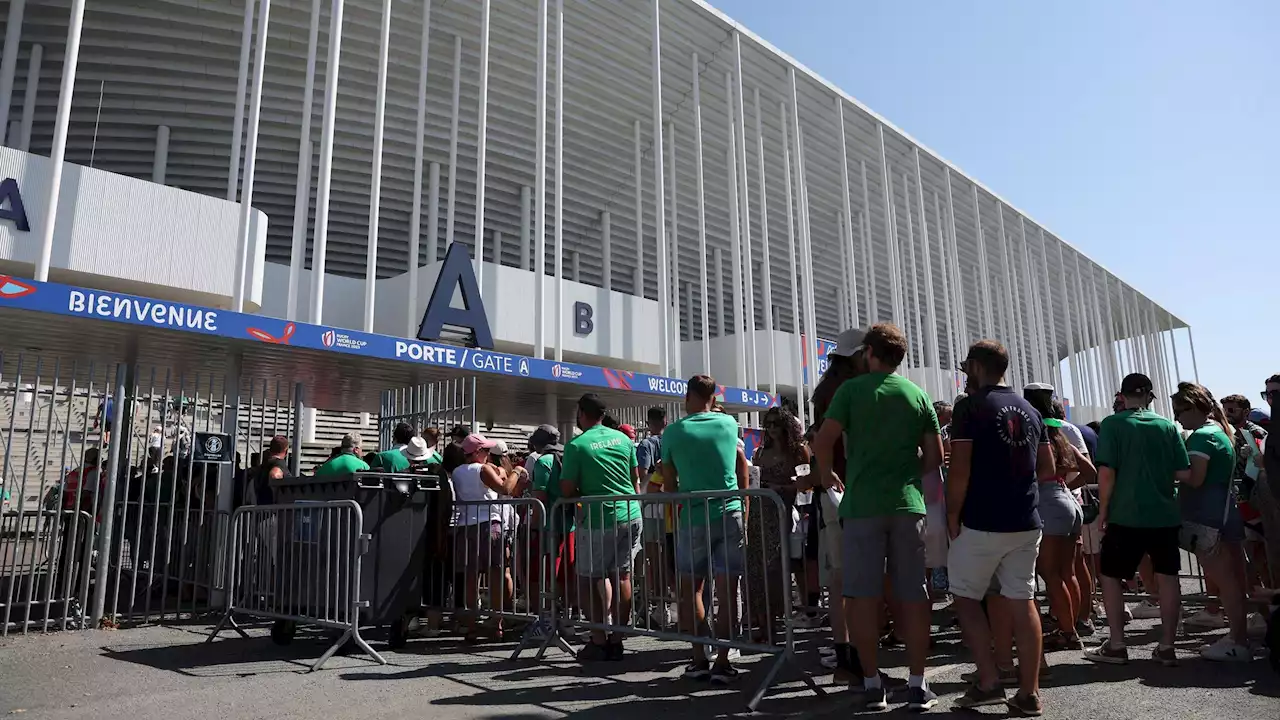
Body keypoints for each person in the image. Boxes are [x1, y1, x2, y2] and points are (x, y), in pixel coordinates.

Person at [813, 323, 942, 712]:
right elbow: (936, 457)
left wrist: (825, 473)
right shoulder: (917, 394)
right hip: (907, 505)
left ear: (869, 352)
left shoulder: (851, 390)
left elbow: (823, 439)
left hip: (861, 507)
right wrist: (906, 471)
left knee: (861, 598)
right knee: (914, 597)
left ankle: (872, 684)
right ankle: (918, 685)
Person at [945, 341, 1051, 715]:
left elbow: (959, 469)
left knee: (965, 595)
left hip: (982, 518)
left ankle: (989, 680)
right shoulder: (1030, 409)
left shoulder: (970, 407)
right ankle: (1029, 692)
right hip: (1025, 518)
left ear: (975, 366)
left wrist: (952, 515)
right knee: (1022, 600)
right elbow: (1047, 468)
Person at [1085, 373, 1189, 667]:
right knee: (1168, 577)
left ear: (1122, 395)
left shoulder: (1113, 424)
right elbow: (1183, 473)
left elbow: (1106, 473)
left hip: (1126, 513)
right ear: (1149, 396)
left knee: (1110, 576)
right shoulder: (1167, 425)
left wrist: (1103, 510)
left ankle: (1117, 644)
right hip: (1164, 514)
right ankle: (1167, 646)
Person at [661, 375, 750, 683]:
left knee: (691, 590)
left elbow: (670, 484)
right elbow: (741, 466)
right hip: (729, 512)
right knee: (728, 590)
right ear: (714, 396)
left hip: (692, 517)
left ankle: (699, 658)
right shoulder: (729, 426)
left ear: (689, 396)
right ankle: (724, 661)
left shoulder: (673, 432)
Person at [1171, 382, 1252, 661]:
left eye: (1179, 411)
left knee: (1225, 580)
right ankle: (1238, 636)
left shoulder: (1201, 437)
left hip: (1208, 518)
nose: (1177, 417)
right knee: (1235, 579)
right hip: (1225, 512)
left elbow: (1195, 478)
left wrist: (1170, 468)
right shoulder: (1219, 432)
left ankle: (1238, 641)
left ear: (1192, 408)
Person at [560, 393, 642, 662]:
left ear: (582, 413)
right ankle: (617, 638)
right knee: (622, 576)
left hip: (599, 519)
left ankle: (597, 639)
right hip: (630, 513)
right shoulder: (624, 439)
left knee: (590, 578)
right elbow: (635, 478)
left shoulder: (577, 445)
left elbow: (567, 489)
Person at [807, 330, 869, 685]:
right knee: (853, 582)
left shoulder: (826, 390)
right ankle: (854, 662)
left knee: (840, 581)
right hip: (851, 490)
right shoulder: (848, 392)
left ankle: (847, 658)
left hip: (834, 492)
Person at [452, 432, 528, 639]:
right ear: (477, 452)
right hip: (489, 524)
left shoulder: (458, 472)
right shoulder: (483, 469)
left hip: (465, 525)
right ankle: (497, 622)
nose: (488, 454)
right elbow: (506, 488)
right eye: (485, 451)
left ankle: (471, 625)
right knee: (497, 573)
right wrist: (516, 471)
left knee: (471, 576)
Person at [746, 406, 809, 645]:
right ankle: (762, 625)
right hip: (758, 514)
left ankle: (775, 624)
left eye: (776, 423)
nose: (771, 428)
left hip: (783, 514)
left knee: (776, 571)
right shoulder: (761, 451)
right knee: (755, 569)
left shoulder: (798, 451)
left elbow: (806, 486)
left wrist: (778, 488)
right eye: (768, 424)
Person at [636, 406, 674, 629]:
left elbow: (641, 474)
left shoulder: (647, 444)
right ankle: (666, 605)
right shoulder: (671, 442)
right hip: (669, 507)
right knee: (666, 558)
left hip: (651, 507)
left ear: (649, 422)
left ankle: (661, 607)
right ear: (665, 420)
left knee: (654, 559)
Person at [250, 436, 289, 505]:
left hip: (262, 509)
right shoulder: (278, 464)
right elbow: (274, 475)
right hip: (273, 511)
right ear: (286, 450)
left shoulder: (264, 466)